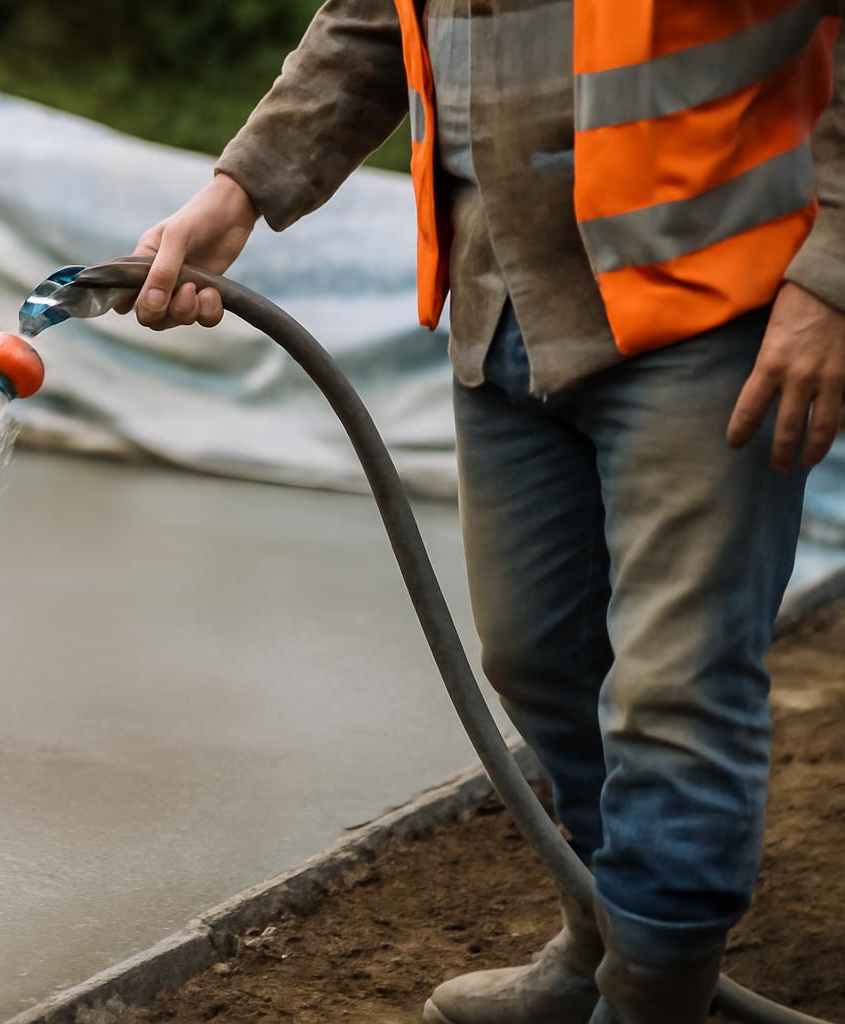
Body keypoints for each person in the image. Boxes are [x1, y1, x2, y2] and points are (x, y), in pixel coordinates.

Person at [119, 3, 845, 1023]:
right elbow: (375, 18)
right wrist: (235, 193)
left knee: (675, 692)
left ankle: (652, 996)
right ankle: (605, 935)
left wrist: (834, 280)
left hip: (714, 301)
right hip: (508, 297)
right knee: (538, 655)